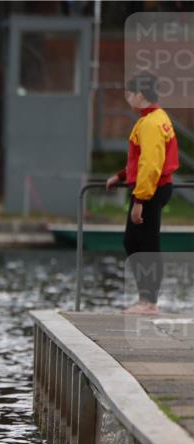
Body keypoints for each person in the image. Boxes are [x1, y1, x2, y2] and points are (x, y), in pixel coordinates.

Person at [105, 74, 179, 316]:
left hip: (152, 190)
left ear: (141, 95)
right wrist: (121, 175)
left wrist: (140, 200)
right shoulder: (154, 118)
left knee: (146, 244)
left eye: (130, 93)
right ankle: (146, 299)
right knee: (134, 242)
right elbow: (140, 161)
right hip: (153, 188)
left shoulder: (150, 123)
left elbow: (151, 165)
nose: (128, 98)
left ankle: (148, 302)